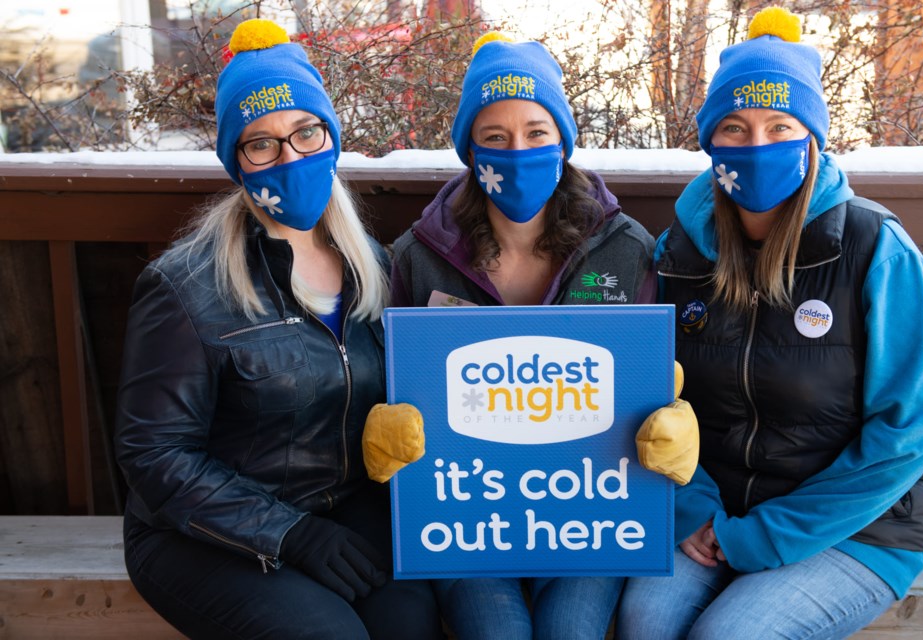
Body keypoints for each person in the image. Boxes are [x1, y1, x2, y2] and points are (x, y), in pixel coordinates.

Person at [616, 7, 923, 639]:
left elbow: (912, 430)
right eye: (734, 129)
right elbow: (652, 398)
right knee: (643, 622)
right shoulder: (679, 252)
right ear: (711, 143)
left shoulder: (875, 248)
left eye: (779, 126)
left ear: (813, 137)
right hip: (712, 512)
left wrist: (767, 535)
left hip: (855, 527)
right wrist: (692, 509)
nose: (757, 146)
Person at [362, 32, 698, 640]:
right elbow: (385, 377)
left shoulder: (624, 249)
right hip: (465, 515)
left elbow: (656, 382)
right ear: (470, 147)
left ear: (563, 141)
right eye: (495, 137)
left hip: (589, 515)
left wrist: (674, 418)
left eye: (536, 133)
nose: (517, 151)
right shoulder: (418, 257)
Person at [113, 18, 442, 640]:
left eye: (304, 133)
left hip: (338, 508)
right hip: (199, 531)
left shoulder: (371, 262)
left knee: (411, 620)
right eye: (260, 143)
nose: (289, 157)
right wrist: (288, 533)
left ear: (331, 136)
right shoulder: (186, 285)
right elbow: (153, 454)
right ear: (237, 161)